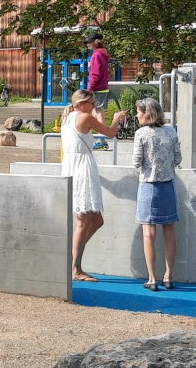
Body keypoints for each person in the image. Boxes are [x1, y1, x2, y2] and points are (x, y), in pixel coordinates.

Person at [61, 89, 128, 282]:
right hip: (82, 167)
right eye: (91, 103)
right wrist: (115, 118)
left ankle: (73, 257)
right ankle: (74, 267)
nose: (93, 106)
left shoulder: (67, 117)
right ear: (81, 103)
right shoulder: (83, 117)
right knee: (82, 222)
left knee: (96, 220)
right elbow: (110, 133)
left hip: (73, 165)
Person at [130, 98, 181, 291]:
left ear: (147, 113)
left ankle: (152, 278)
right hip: (168, 185)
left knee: (148, 233)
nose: (137, 115)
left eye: (139, 112)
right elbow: (178, 158)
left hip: (148, 186)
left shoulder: (141, 134)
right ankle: (168, 276)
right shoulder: (171, 131)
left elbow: (136, 162)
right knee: (170, 233)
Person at [85, 31, 111, 125]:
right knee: (96, 112)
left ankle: (101, 133)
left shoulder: (96, 55)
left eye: (89, 42)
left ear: (94, 43)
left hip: (97, 88)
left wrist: (90, 88)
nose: (88, 44)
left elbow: (95, 74)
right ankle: (100, 132)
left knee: (98, 112)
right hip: (103, 87)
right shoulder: (103, 54)